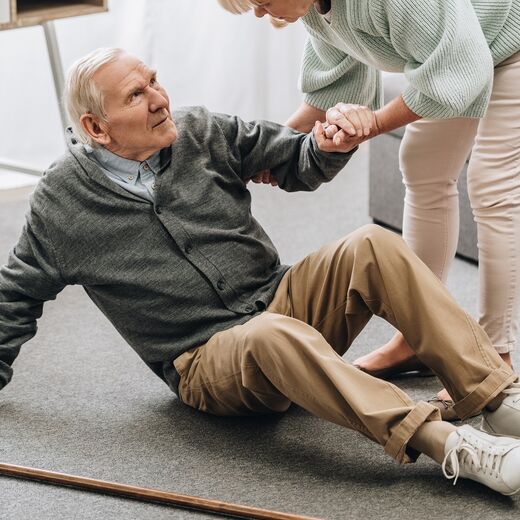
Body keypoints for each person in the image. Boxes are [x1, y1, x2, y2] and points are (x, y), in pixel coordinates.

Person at [1, 48, 520, 496]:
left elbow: (296, 157)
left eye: (154, 80)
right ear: (96, 127)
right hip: (206, 361)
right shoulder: (62, 202)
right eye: (135, 95)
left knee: (371, 243)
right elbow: (14, 298)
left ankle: (494, 397)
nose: (159, 98)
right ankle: (452, 447)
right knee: (270, 334)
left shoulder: (199, 129)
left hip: (281, 301)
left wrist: (331, 142)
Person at [218, 0, 520, 419]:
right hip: (460, 53)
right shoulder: (312, 10)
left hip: (511, 44)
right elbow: (336, 89)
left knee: (491, 188)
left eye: (260, 0)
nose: (258, 13)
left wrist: (374, 123)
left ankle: (496, 357)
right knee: (423, 166)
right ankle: (417, 337)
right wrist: (271, 149)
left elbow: (458, 71)